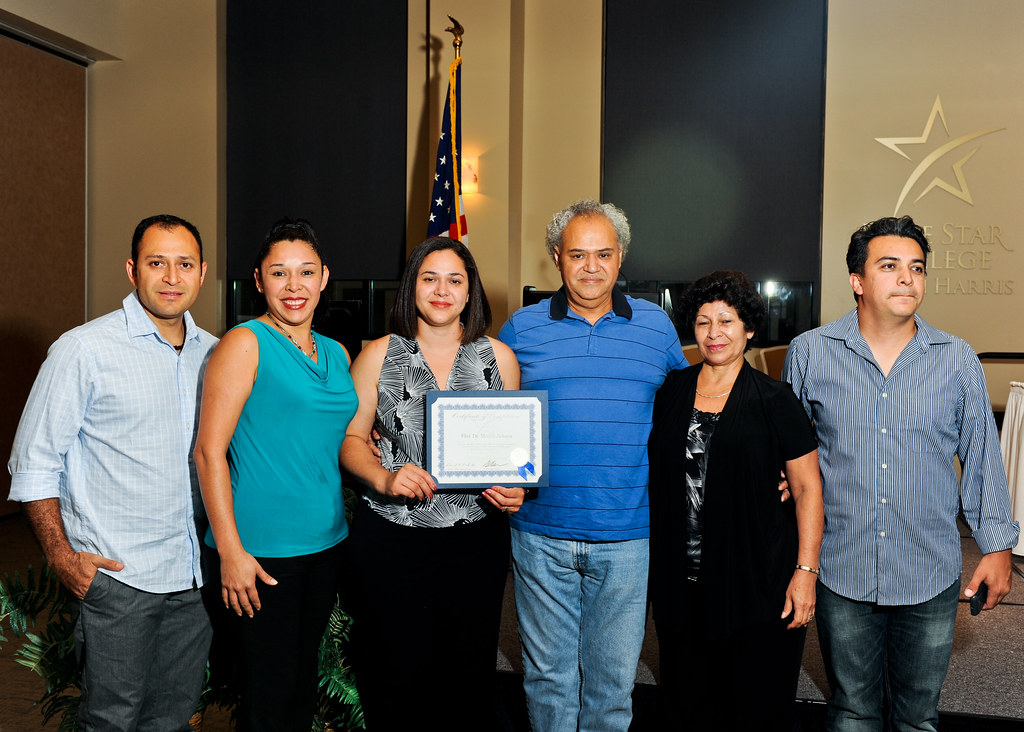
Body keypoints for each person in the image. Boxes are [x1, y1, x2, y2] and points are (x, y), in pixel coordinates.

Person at [783, 215, 1019, 730]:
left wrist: (997, 547)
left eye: (916, 267)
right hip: (842, 568)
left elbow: (981, 457)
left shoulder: (956, 360)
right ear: (857, 281)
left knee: (917, 718)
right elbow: (795, 452)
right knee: (851, 711)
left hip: (928, 570)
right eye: (889, 266)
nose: (907, 278)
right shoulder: (810, 353)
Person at [7, 214, 216, 730]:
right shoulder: (83, 350)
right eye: (156, 263)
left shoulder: (215, 354)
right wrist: (60, 556)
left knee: (173, 718)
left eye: (184, 263)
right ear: (132, 270)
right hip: (118, 579)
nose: (171, 276)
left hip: (193, 578)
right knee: (109, 720)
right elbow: (33, 462)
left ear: (202, 273)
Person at [497, 200, 685, 731]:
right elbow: (488, 409)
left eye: (603, 254)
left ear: (620, 257)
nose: (591, 267)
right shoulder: (522, 328)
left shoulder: (656, 327)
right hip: (539, 534)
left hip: (628, 536)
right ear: (556, 257)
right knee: (548, 681)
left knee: (611, 686)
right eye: (577, 254)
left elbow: (691, 411)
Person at [340, 236, 522, 730]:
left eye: (455, 280)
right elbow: (352, 439)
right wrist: (384, 475)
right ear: (412, 287)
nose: (442, 290)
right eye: (430, 278)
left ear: (470, 293)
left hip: (475, 541)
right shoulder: (378, 355)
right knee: (395, 676)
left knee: (467, 678)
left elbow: (513, 450)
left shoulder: (499, 359)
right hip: (392, 539)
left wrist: (516, 486)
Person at [193, 218, 356, 732]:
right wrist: (232, 551)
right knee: (267, 696)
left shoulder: (336, 351)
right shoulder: (246, 342)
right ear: (258, 281)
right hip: (260, 552)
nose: (294, 286)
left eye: (305, 272)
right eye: (279, 273)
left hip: (326, 543)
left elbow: (331, 437)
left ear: (324, 277)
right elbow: (207, 451)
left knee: (302, 686)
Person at [648, 270, 823, 730]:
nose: (714, 334)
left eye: (726, 321)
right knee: (686, 706)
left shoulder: (775, 399)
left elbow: (806, 488)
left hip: (757, 589)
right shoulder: (670, 392)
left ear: (748, 328)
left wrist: (805, 573)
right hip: (682, 588)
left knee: (753, 709)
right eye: (703, 322)